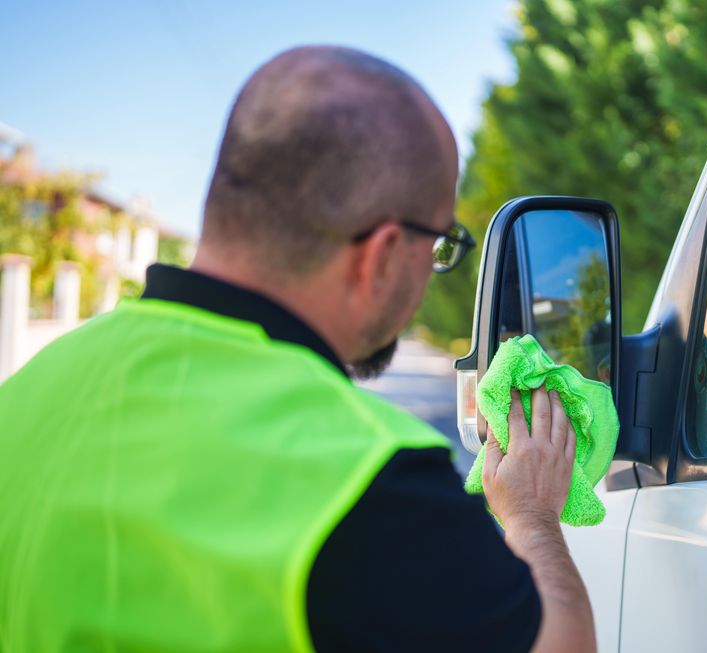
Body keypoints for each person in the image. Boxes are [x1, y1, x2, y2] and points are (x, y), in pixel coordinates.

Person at [0, 47, 596, 653]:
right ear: (384, 253)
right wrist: (531, 517)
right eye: (441, 244)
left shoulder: (28, 390)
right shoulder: (369, 480)